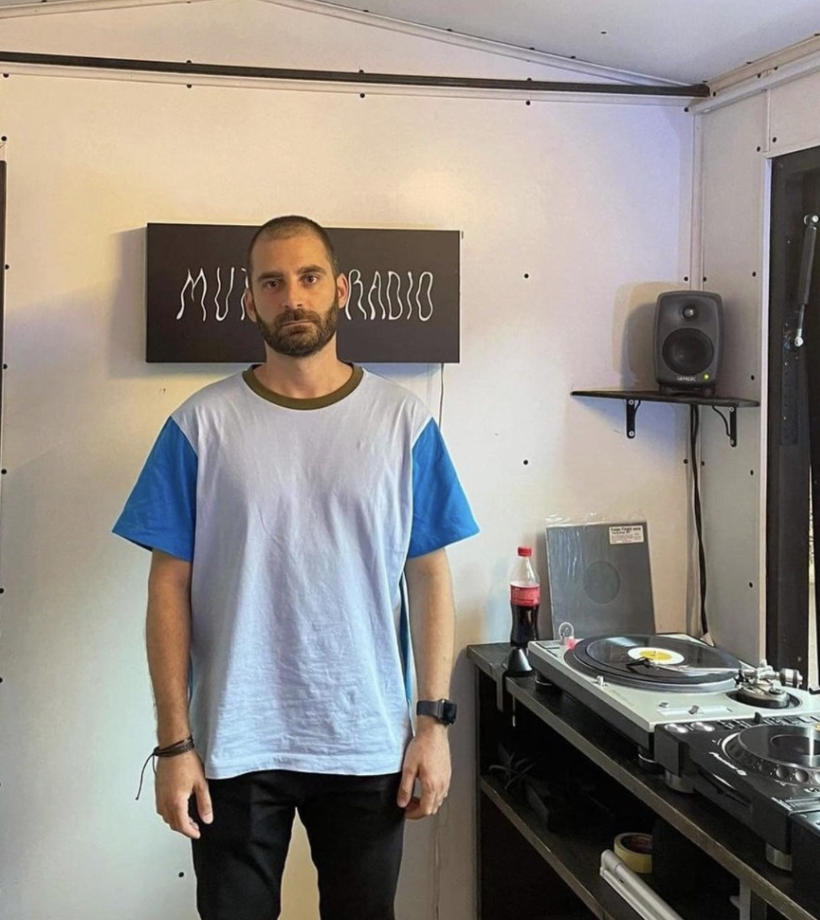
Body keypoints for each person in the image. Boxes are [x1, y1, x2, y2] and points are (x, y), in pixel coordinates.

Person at [113, 214, 478, 920]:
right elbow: (168, 586)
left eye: (309, 277)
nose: (293, 297)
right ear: (249, 301)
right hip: (235, 741)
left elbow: (429, 576)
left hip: (367, 740)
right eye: (272, 283)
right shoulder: (200, 426)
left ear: (341, 289)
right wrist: (173, 745)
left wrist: (433, 724)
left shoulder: (403, 424)